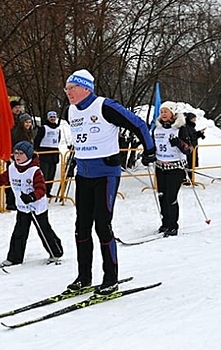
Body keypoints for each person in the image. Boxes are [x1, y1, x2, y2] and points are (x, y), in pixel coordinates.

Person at [64, 69, 156, 295]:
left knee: (102, 225)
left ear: (86, 88)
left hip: (106, 175)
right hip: (84, 176)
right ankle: (84, 277)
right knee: (81, 227)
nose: (68, 93)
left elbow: (138, 125)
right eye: (66, 89)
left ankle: (110, 278)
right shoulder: (70, 111)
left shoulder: (105, 106)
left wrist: (149, 149)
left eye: (72, 88)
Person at [0, 141, 64, 267]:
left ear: (29, 155)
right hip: (22, 207)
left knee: (44, 230)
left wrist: (32, 197)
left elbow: (41, 189)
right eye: (15, 153)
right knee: (19, 232)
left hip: (37, 207)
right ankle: (14, 258)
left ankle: (56, 252)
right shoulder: (12, 168)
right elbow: (2, 180)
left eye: (21, 153)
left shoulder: (34, 170)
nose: (17, 156)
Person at [154, 102, 192, 236]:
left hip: (175, 168)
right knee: (162, 196)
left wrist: (179, 143)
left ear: (173, 113)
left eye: (166, 111)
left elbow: (189, 149)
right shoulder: (157, 128)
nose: (163, 114)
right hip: (160, 167)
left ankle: (173, 226)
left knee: (171, 197)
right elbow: (155, 146)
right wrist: (148, 155)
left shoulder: (180, 128)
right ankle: (165, 223)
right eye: (161, 111)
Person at [34, 111, 61, 198]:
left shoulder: (58, 129)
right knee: (44, 174)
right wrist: (36, 149)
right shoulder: (44, 128)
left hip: (54, 154)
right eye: (51, 117)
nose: (52, 118)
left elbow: (58, 140)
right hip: (44, 153)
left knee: (51, 174)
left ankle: (48, 191)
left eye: (54, 117)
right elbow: (37, 139)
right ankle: (42, 191)